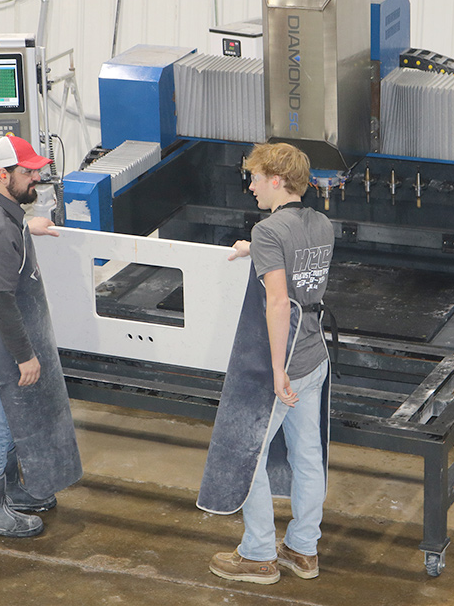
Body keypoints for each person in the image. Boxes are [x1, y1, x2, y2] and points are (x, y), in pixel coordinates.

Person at [198, 142, 334, 584]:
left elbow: (278, 302)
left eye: (255, 178)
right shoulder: (321, 223)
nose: (251, 186)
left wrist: (277, 370)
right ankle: (303, 548)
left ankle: (258, 553)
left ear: (276, 180)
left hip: (286, 360)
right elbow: (295, 272)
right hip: (315, 355)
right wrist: (253, 250)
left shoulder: (268, 231)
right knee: (308, 456)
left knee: (246, 457)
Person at [0, 134, 82, 538]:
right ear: (2, 174)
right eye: (28, 172)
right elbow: (0, 301)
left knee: (7, 419)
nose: (37, 177)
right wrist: (25, 355)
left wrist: (28, 225)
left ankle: (10, 491)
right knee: (1, 426)